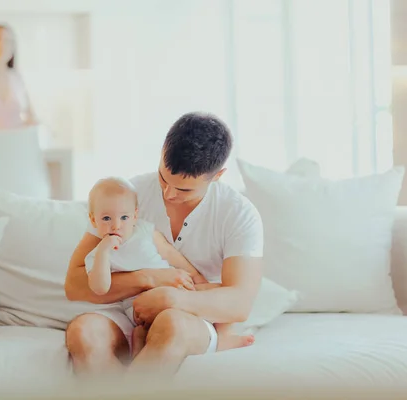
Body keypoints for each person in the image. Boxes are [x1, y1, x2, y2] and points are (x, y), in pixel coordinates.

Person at [64, 112, 264, 376]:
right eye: (163, 178)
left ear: (217, 176)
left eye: (184, 190)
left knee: (171, 324)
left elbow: (239, 303)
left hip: (192, 316)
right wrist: (147, 279)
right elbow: (75, 285)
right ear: (161, 152)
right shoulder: (126, 196)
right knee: (84, 332)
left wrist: (171, 297)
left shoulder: (238, 213)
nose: (168, 194)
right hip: (125, 311)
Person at [82, 176, 255, 359]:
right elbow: (99, 288)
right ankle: (143, 342)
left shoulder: (145, 231)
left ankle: (224, 337)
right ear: (93, 221)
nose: (116, 225)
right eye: (106, 218)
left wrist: (198, 280)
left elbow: (172, 255)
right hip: (141, 306)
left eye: (124, 217)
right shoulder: (96, 255)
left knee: (220, 291)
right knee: (156, 324)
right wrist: (103, 251)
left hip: (178, 289)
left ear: (135, 215)